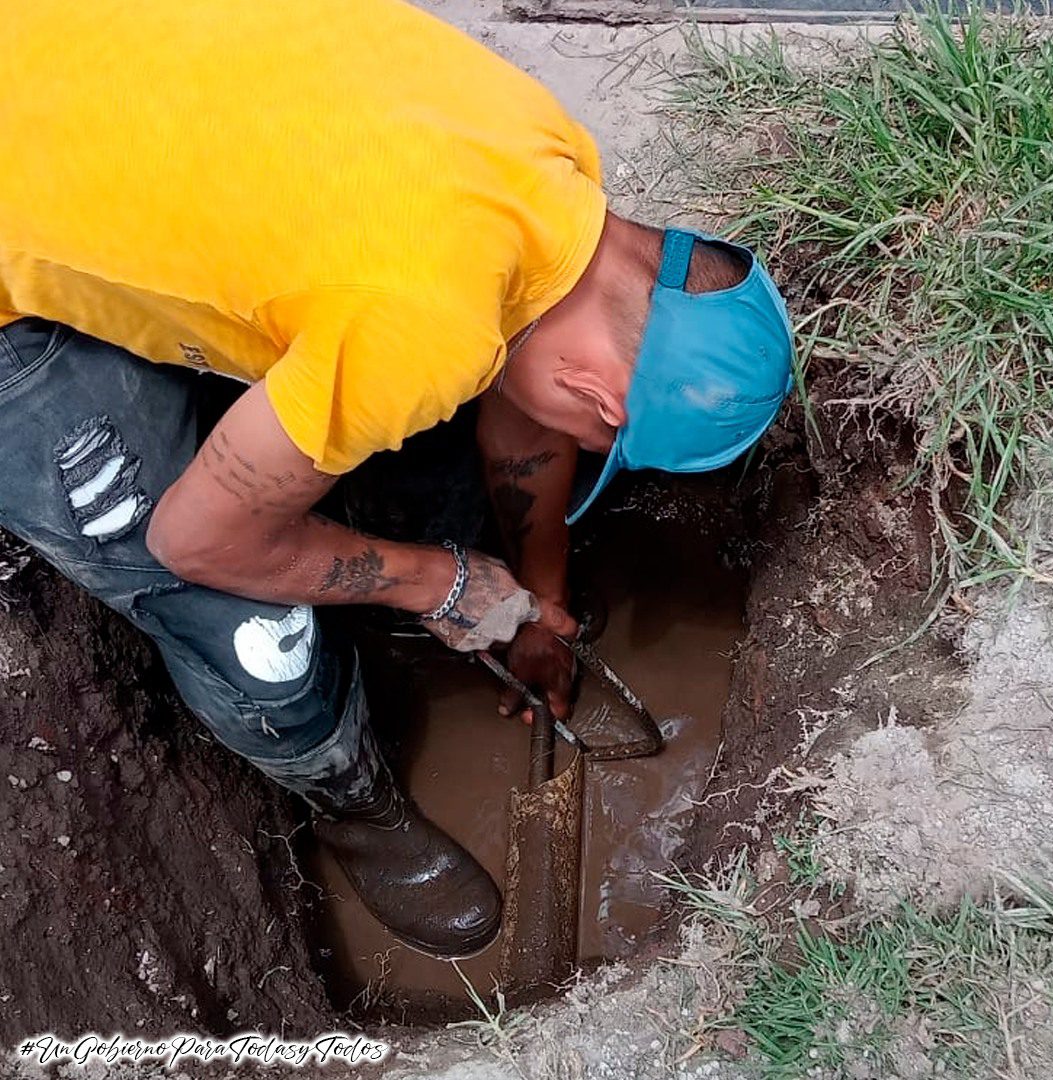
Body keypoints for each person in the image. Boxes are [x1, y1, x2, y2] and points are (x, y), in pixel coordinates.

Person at [0, 0, 794, 958]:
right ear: (600, 397)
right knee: (257, 635)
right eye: (600, 434)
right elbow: (194, 538)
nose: (581, 435)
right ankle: (354, 805)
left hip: (81, 79)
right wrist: (443, 583)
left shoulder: (548, 161)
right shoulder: (424, 332)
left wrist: (539, 594)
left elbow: (530, 396)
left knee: (410, 437)